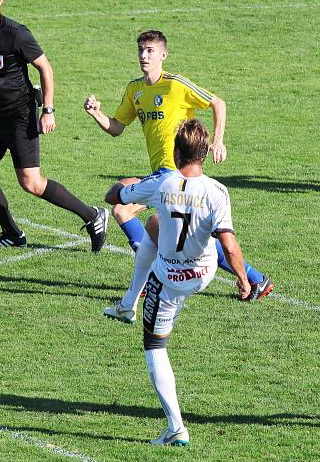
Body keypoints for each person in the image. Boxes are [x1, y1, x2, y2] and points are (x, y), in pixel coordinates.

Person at [84, 30, 272, 323]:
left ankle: (146, 283)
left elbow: (217, 103)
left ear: (163, 54)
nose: (144, 56)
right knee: (175, 228)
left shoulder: (175, 85)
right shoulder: (135, 91)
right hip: (161, 172)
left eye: (149, 51)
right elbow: (118, 126)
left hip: (176, 173)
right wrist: (97, 114)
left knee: (123, 208)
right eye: (140, 51)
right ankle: (254, 278)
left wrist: (217, 141)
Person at [105, 119, 251, 446]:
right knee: (157, 224)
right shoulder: (217, 191)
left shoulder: (163, 183)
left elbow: (116, 196)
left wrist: (122, 187)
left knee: (155, 347)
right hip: (204, 272)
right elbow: (228, 243)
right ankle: (128, 303)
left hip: (171, 280)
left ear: (175, 151)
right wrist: (242, 279)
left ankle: (175, 428)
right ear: (204, 152)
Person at [0, 0, 108, 251]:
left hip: (21, 116)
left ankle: (93, 216)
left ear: (0, 0)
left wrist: (48, 110)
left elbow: (45, 68)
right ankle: (12, 233)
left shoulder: (16, 33)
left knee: (31, 183)